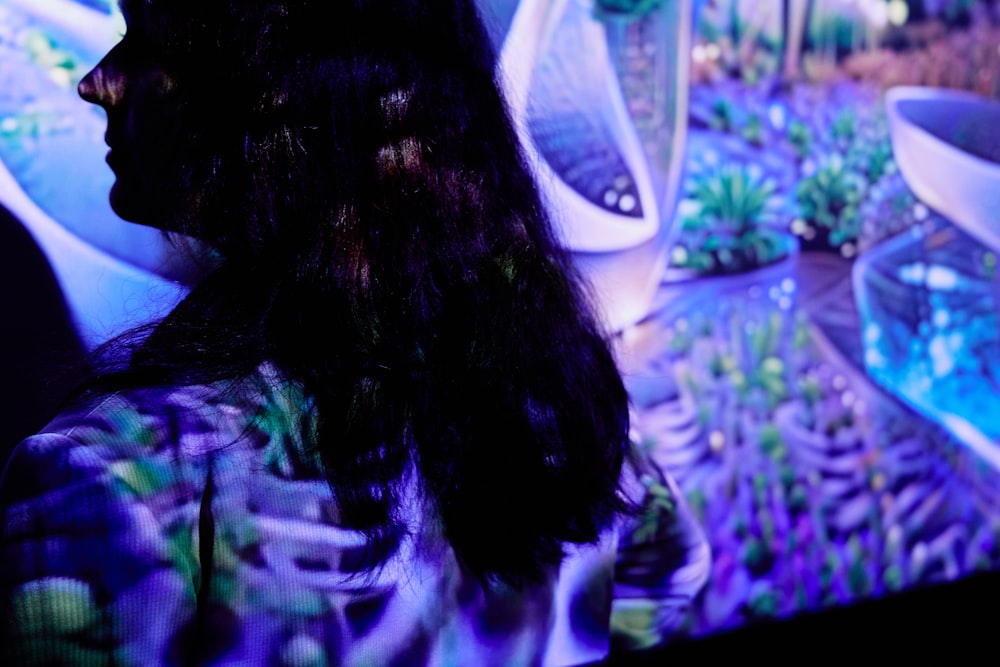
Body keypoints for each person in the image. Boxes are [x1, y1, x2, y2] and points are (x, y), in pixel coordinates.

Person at [0, 0, 709, 664]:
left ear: (279, 97)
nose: (97, 82)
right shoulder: (548, 388)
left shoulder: (113, 479)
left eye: (147, 44)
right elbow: (669, 571)